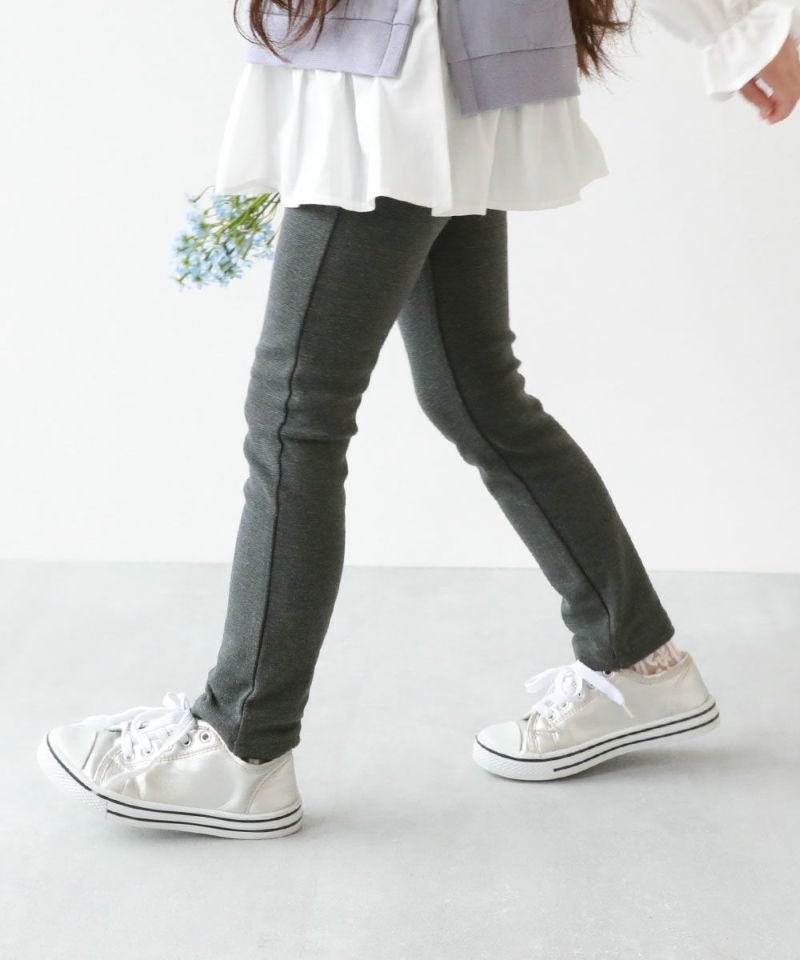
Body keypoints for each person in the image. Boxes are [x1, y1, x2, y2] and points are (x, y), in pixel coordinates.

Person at [37, 0, 800, 838]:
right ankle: (640, 658)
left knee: (296, 414)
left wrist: (740, 31)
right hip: (416, 67)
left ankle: (241, 745)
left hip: (400, 77)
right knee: (474, 394)